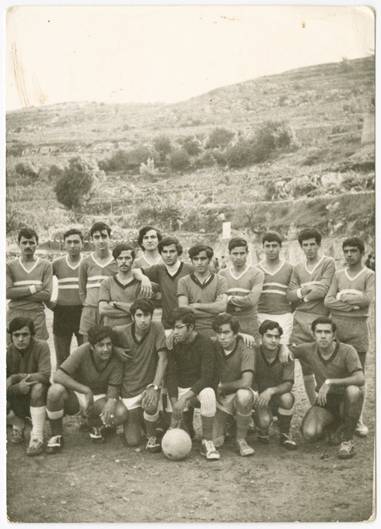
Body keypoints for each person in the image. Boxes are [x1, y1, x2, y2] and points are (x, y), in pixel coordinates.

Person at [45, 325, 126, 453]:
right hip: (77, 393)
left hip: (99, 396)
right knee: (55, 391)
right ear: (92, 346)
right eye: (101, 345)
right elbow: (58, 375)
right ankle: (56, 435)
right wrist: (85, 390)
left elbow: (113, 389)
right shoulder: (83, 350)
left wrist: (111, 402)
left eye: (109, 344)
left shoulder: (116, 359)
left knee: (120, 413)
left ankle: (94, 424)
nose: (106, 349)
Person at [292, 317, 364, 459]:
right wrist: (283, 348)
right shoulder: (308, 349)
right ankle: (335, 428)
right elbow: (287, 350)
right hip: (325, 401)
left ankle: (347, 441)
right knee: (309, 434)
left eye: (327, 332)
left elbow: (360, 378)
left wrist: (330, 382)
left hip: (345, 400)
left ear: (334, 335)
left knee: (354, 391)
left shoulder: (347, 350)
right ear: (313, 334)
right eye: (319, 332)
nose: (323, 336)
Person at [325, 237, 374, 437]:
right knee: (336, 373)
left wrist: (346, 298)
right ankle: (337, 417)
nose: (349, 254)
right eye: (346, 251)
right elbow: (328, 301)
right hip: (338, 328)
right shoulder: (337, 275)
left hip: (358, 330)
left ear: (362, 253)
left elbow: (367, 299)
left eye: (353, 251)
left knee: (357, 375)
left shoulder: (369, 275)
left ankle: (357, 419)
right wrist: (351, 304)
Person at [287, 228, 335, 405]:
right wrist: (301, 291)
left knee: (324, 364)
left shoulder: (328, 262)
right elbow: (290, 294)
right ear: (301, 247)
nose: (309, 248)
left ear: (319, 244)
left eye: (312, 244)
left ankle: (330, 405)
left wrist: (303, 295)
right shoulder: (298, 268)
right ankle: (313, 404)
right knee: (305, 366)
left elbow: (323, 289)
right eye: (305, 245)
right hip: (300, 319)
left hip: (319, 318)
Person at [112, 299, 168, 453]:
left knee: (151, 404)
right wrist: (115, 348)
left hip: (147, 387)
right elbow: (98, 337)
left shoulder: (157, 328)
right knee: (133, 441)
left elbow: (163, 359)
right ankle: (139, 421)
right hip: (129, 390)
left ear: (152, 316)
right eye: (139, 315)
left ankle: (151, 437)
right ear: (132, 317)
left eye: (147, 315)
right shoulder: (120, 331)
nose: (143, 320)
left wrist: (155, 387)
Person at [166, 308, 221, 460]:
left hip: (197, 390)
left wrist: (184, 399)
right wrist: (174, 401)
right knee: (181, 434)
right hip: (180, 389)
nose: (175, 332)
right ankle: (185, 426)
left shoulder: (205, 343)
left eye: (179, 327)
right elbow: (171, 375)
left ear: (191, 327)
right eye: (173, 328)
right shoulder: (173, 343)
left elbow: (207, 378)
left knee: (209, 393)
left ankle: (207, 442)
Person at [212, 313, 256, 457]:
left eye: (226, 332)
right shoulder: (213, 344)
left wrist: (221, 387)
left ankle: (241, 440)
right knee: (216, 441)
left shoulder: (246, 347)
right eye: (219, 333)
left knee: (243, 396)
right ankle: (231, 422)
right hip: (221, 396)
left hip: (239, 392)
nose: (222, 337)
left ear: (236, 333)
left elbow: (246, 382)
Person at [7, 317, 51, 456]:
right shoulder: (7, 350)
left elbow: (44, 375)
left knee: (38, 388)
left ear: (32, 335)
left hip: (37, 394)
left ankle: (37, 436)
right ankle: (18, 423)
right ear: (11, 336)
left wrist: (16, 377)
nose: (20, 339)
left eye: (25, 334)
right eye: (16, 335)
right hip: (16, 394)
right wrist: (17, 388)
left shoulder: (42, 346)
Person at [253, 320, 297, 450]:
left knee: (287, 398)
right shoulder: (254, 352)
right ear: (261, 337)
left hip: (276, 396)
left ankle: (285, 433)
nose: (273, 340)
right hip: (259, 397)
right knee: (264, 422)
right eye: (269, 336)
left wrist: (271, 391)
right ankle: (260, 427)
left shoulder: (286, 354)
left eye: (277, 337)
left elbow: (288, 383)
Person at [7, 227, 52, 340]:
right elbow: (7, 293)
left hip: (36, 315)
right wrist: (33, 289)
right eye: (24, 243)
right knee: (14, 351)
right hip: (15, 314)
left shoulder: (45, 265)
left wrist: (17, 293)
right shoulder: (9, 266)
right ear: (19, 244)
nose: (28, 246)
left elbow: (46, 294)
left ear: (37, 244)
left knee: (38, 350)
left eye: (31, 242)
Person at [142, 236, 193, 333]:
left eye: (172, 251)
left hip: (187, 323)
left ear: (178, 252)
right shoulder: (158, 269)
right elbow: (135, 272)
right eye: (165, 252)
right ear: (160, 253)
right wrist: (144, 278)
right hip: (167, 324)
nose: (168, 255)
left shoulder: (189, 269)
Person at [177, 244, 228, 338]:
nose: (199, 262)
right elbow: (183, 310)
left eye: (203, 258)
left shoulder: (221, 280)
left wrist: (195, 305)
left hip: (214, 329)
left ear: (209, 259)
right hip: (191, 330)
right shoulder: (183, 281)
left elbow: (221, 307)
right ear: (191, 260)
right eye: (195, 259)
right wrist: (212, 308)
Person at [50, 228, 84, 366]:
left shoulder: (88, 263)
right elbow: (45, 283)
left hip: (83, 312)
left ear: (83, 244)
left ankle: (84, 386)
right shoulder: (56, 264)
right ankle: (62, 387)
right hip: (62, 313)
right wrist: (50, 304)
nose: (72, 245)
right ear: (64, 244)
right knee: (62, 357)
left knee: (85, 354)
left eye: (76, 242)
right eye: (69, 242)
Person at [78, 222, 117, 341]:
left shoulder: (118, 260)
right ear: (91, 240)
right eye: (96, 237)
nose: (101, 241)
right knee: (88, 346)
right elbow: (81, 288)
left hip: (110, 311)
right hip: (90, 311)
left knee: (110, 345)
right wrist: (88, 304)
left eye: (104, 236)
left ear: (110, 238)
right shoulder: (85, 262)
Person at [220, 237, 264, 340]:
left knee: (252, 353)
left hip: (250, 323)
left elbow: (251, 301)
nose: (238, 257)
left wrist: (229, 299)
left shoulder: (257, 273)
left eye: (242, 253)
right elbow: (219, 301)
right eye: (235, 254)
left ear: (247, 253)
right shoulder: (222, 274)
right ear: (229, 254)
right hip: (229, 323)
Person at [257, 231, 294, 344]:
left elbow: (293, 294)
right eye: (267, 246)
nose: (271, 249)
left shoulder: (290, 268)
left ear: (280, 247)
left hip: (283, 316)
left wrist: (289, 312)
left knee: (283, 349)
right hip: (261, 315)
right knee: (263, 351)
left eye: (274, 246)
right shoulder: (256, 269)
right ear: (263, 248)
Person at [99, 243, 143, 327]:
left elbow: (141, 310)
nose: (123, 261)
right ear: (115, 261)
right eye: (120, 258)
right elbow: (103, 310)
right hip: (111, 330)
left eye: (127, 258)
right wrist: (131, 310)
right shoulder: (106, 283)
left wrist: (116, 304)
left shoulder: (140, 283)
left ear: (133, 261)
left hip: (132, 331)